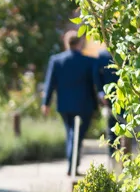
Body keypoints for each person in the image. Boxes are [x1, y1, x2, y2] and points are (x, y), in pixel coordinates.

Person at [42, 31, 100, 174]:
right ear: (80, 43)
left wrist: (46, 103)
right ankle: (72, 165)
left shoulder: (56, 60)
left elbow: (50, 83)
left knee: (71, 133)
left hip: (65, 105)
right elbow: (95, 83)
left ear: (66, 43)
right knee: (77, 135)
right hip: (84, 105)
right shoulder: (89, 61)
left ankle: (72, 164)